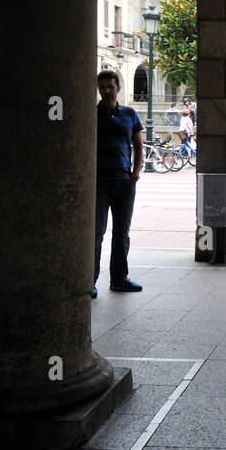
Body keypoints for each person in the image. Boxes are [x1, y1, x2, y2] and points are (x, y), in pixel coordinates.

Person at [95, 70, 144, 298]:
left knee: (122, 233)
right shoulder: (92, 114)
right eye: (102, 87)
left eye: (109, 86)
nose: (105, 90)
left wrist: (135, 172)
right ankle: (90, 281)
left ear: (118, 88)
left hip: (124, 181)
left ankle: (119, 278)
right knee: (96, 232)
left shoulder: (130, 114)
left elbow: (138, 145)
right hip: (99, 182)